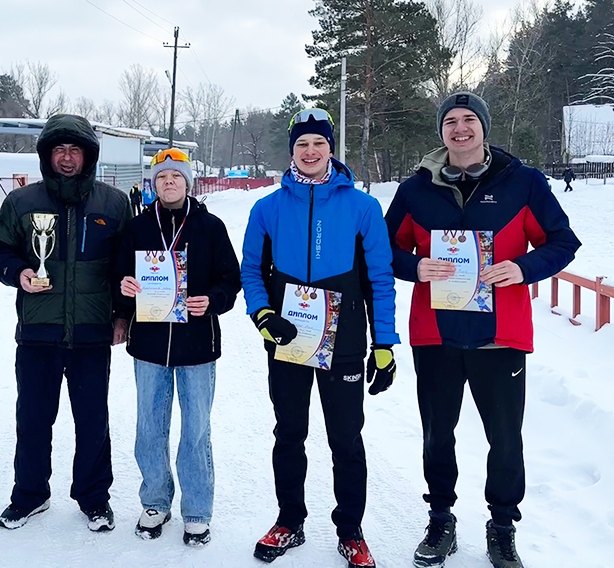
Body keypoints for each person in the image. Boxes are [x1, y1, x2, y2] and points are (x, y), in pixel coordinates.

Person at [384, 91, 581, 568]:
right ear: (442, 132)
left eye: (469, 120)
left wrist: (522, 269)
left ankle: (502, 525)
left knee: (506, 437)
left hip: (501, 334)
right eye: (450, 121)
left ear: (484, 127)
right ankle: (441, 521)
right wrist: (416, 266)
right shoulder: (415, 190)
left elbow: (563, 241)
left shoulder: (524, 183)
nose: (460, 129)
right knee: (437, 435)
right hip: (436, 333)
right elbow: (384, 250)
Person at [241, 109, 399, 567]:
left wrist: (384, 343)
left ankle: (350, 530)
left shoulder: (362, 206)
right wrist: (263, 314)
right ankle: (289, 520)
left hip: (344, 339)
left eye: (319, 143)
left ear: (331, 148)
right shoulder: (267, 207)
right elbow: (252, 270)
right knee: (289, 432)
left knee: (346, 438)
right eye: (302, 144)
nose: (310, 152)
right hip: (288, 338)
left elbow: (381, 280)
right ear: (292, 150)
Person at [0, 114, 131, 531]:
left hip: (91, 331)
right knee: (32, 417)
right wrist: (18, 273)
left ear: (89, 156)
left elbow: (125, 265)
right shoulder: (23, 202)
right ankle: (29, 495)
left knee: (92, 419)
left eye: (75, 150)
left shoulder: (113, 203)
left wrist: (121, 315)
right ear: (47, 155)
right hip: (37, 331)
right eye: (59, 150)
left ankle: (94, 498)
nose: (67, 158)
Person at [115, 149, 241, 546]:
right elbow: (116, 275)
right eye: (162, 177)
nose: (169, 182)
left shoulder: (210, 227)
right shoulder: (136, 228)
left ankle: (197, 510)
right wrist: (124, 289)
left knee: (196, 430)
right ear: (153, 184)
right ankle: (154, 500)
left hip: (197, 347)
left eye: (176, 176)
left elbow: (230, 279)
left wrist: (213, 300)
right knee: (150, 427)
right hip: (150, 346)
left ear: (188, 182)